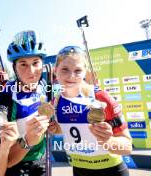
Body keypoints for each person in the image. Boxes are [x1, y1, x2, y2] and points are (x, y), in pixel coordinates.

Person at [50, 45, 132, 176]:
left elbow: (127, 147)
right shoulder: (56, 101)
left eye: (77, 70)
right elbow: (65, 129)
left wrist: (108, 141)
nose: (71, 76)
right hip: (78, 170)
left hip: (111, 170)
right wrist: (55, 129)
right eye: (65, 69)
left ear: (84, 73)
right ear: (55, 70)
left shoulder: (100, 98)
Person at [0, 30, 50, 176]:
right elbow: (4, 159)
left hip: (42, 160)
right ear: (15, 68)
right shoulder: (7, 96)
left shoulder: (44, 86)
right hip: (17, 164)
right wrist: (28, 140)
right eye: (23, 64)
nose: (31, 71)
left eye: (35, 63)